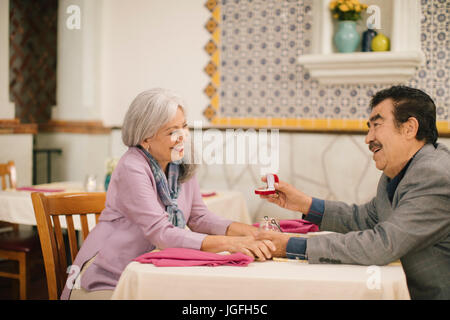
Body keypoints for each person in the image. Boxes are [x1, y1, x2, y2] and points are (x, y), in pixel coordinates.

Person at [61, 88, 275, 300]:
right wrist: (230, 243)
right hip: (108, 278)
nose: (183, 136)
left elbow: (199, 218)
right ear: (146, 139)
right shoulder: (132, 167)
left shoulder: (180, 161)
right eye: (172, 131)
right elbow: (161, 233)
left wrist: (252, 233)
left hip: (151, 273)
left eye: (184, 126)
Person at [258, 86, 450, 300]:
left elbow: (382, 244)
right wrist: (304, 204)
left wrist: (289, 246)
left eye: (376, 125)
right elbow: (366, 218)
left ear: (409, 128)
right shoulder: (400, 170)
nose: (368, 138)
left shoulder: (434, 174)